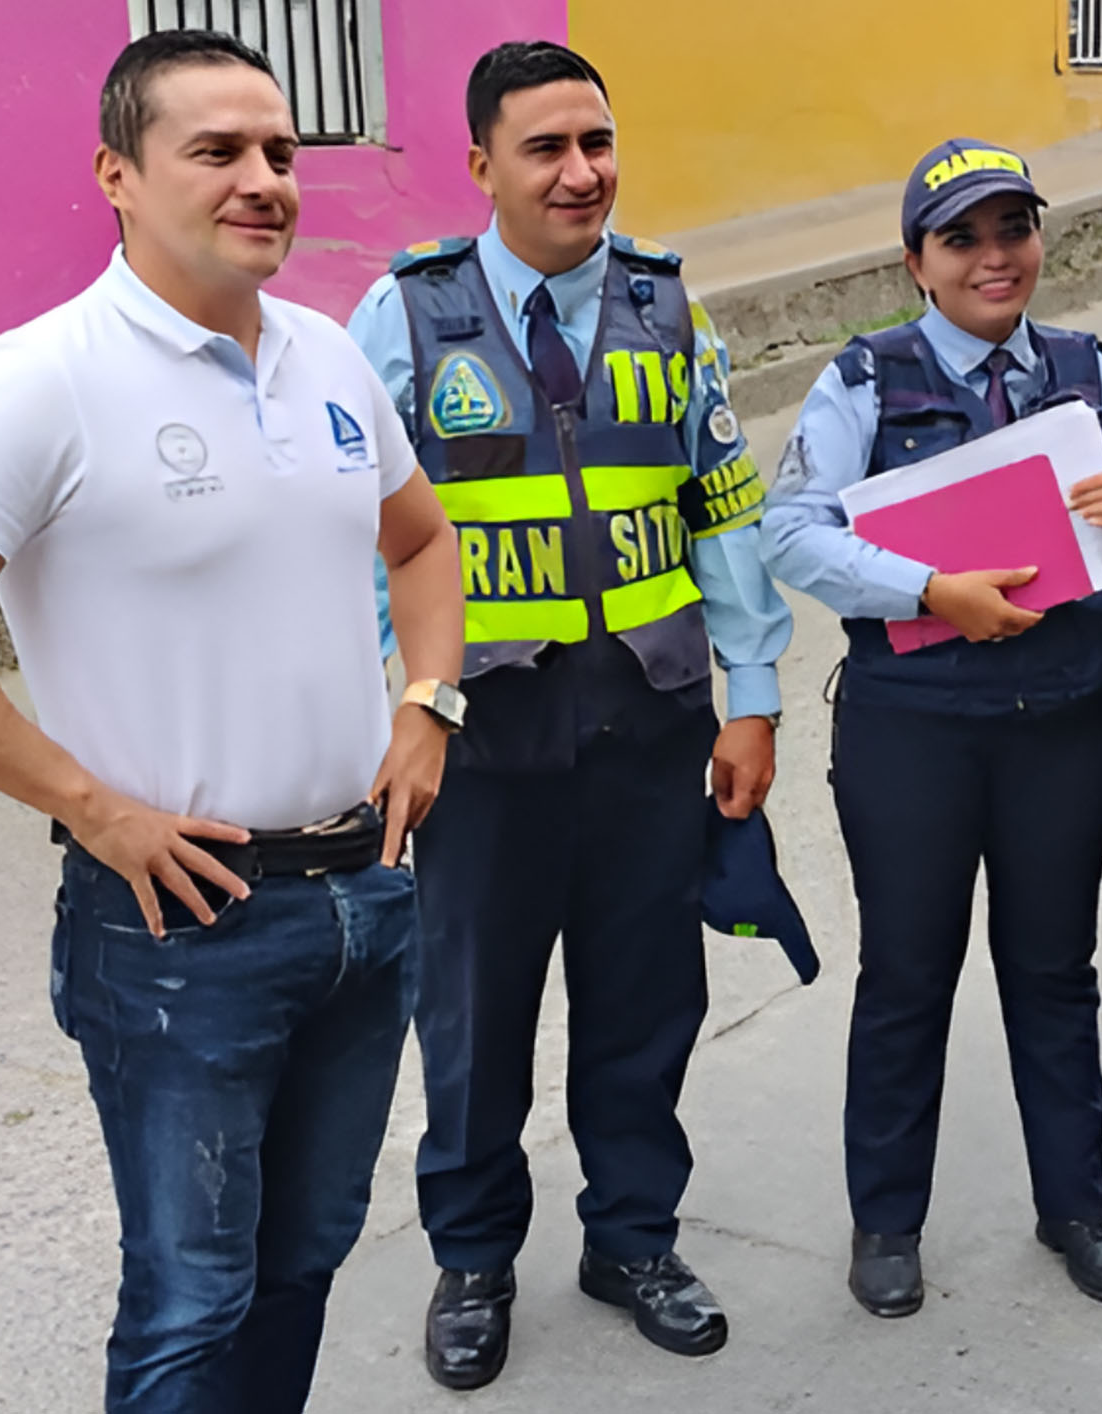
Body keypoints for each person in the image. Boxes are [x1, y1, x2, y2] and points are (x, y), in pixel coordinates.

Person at [0, 32, 464, 1412]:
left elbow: (423, 541)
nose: (264, 180)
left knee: (306, 1257)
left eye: (280, 151)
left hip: (365, 893)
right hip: (184, 923)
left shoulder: (326, 356)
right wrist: (91, 804)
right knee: (190, 1301)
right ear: (117, 174)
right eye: (217, 151)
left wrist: (429, 703)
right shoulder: (44, 378)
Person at [346, 40, 792, 1390]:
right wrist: (400, 703)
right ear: (481, 163)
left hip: (652, 723)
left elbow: (723, 510)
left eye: (597, 142)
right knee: (474, 1016)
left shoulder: (667, 306)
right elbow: (357, 535)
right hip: (481, 738)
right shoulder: (406, 317)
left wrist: (754, 696)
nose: (581, 171)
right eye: (546, 147)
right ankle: (474, 1257)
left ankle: (634, 1239)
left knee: (646, 1005)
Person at [760, 138, 1102, 1319]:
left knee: (1055, 971)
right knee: (908, 975)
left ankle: (1077, 1207)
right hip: (917, 733)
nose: (995, 258)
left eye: (1013, 230)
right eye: (962, 239)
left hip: (1064, 725)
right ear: (917, 262)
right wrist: (927, 590)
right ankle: (887, 1222)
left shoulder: (1087, 374)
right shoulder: (864, 382)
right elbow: (790, 532)